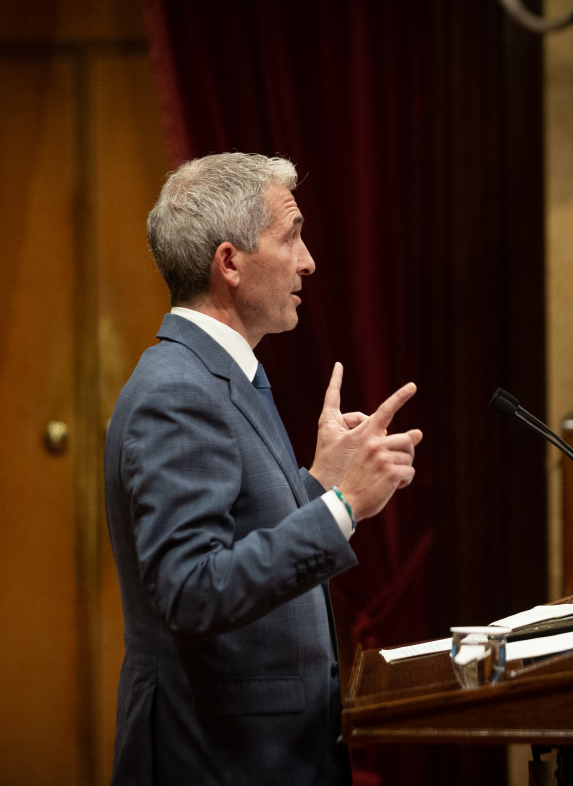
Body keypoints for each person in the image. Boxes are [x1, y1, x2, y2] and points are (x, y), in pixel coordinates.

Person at [104, 152, 423, 785]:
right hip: (217, 756)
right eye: (293, 235)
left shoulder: (228, 374)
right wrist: (342, 507)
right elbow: (192, 590)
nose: (308, 261)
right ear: (230, 262)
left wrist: (317, 485)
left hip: (265, 747)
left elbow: (238, 539)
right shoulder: (178, 391)